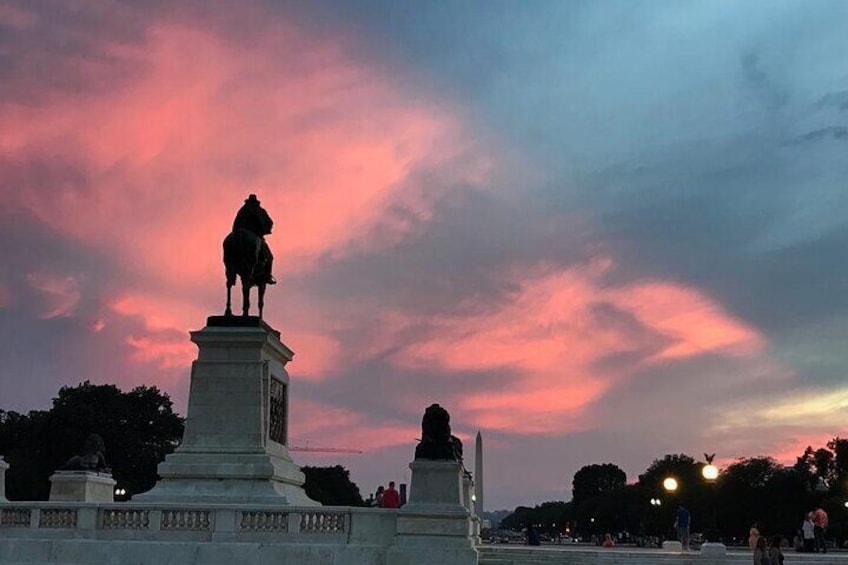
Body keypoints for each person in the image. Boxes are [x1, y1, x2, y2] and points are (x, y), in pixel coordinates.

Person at [232, 194, 276, 285]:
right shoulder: (259, 210)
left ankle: (232, 275)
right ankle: (267, 276)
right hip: (255, 235)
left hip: (236, 233)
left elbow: (235, 224)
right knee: (270, 257)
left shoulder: (242, 210)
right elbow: (269, 222)